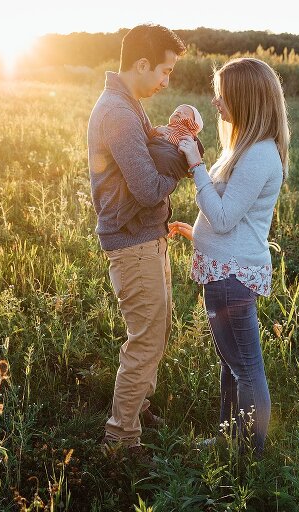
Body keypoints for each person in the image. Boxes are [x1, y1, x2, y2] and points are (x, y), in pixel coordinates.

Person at [169, 57, 290, 455]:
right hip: (225, 269)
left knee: (246, 369)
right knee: (231, 365)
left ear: (245, 99)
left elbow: (222, 219)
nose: (216, 103)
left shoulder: (258, 155)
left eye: (222, 96)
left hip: (231, 277)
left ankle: (248, 453)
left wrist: (195, 164)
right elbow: (224, 212)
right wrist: (196, 231)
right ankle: (228, 439)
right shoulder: (245, 148)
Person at [86, 24, 187, 451]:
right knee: (144, 339)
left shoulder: (130, 105)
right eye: (164, 72)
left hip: (147, 237)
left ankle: (138, 406)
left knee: (156, 331)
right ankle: (120, 440)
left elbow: (144, 153)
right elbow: (146, 188)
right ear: (142, 64)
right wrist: (184, 164)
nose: (166, 81)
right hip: (132, 242)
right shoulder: (118, 112)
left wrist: (168, 135)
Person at [117, 104, 205, 234]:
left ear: (193, 122)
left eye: (185, 112)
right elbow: (150, 135)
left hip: (167, 157)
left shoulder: (189, 132)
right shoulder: (166, 127)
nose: (179, 112)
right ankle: (129, 213)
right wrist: (158, 130)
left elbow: (195, 152)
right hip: (155, 151)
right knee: (136, 188)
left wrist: (186, 146)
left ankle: (129, 216)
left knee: (143, 192)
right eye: (176, 110)